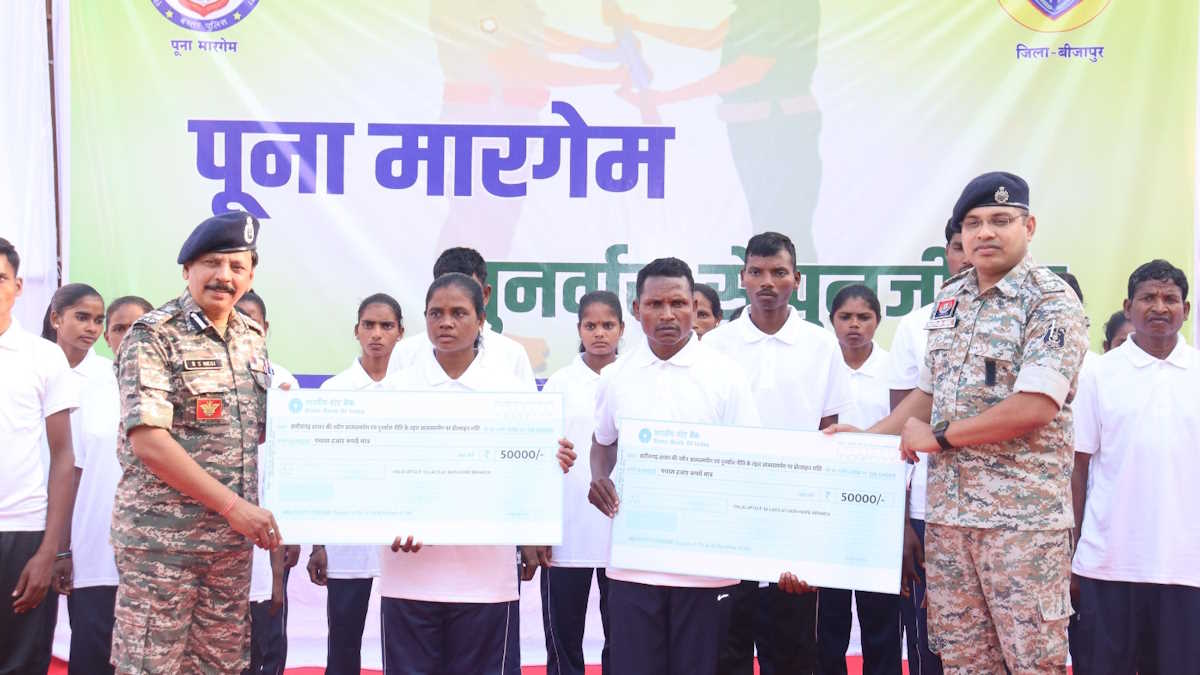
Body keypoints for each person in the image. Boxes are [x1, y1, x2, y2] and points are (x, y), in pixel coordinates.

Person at [834, 173, 1088, 674]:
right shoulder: (952, 297)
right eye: (973, 223)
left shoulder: (1051, 301)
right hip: (950, 525)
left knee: (1032, 663)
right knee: (963, 663)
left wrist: (940, 438)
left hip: (1021, 530)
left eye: (1000, 220)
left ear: (1028, 226)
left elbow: (1036, 405)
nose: (985, 233)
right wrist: (867, 441)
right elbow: (929, 394)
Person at [111, 211, 282, 673]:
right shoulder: (153, 335)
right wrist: (233, 506)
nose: (224, 276)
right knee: (150, 666)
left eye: (237, 266)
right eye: (212, 263)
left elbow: (252, 430)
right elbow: (149, 440)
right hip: (162, 547)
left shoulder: (251, 337)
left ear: (250, 276)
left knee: (219, 667)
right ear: (187, 269)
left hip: (228, 550)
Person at [380, 273, 575, 675]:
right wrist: (385, 520)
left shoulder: (512, 393)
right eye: (436, 313)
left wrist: (550, 463)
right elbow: (375, 473)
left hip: (486, 580)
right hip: (408, 576)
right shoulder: (394, 391)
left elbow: (528, 474)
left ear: (481, 320)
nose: (446, 323)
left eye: (458, 313)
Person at [588, 257, 760, 675]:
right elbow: (602, 442)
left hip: (706, 568)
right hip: (634, 563)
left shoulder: (726, 376)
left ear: (694, 306)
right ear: (637, 309)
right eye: (655, 304)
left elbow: (750, 460)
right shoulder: (616, 376)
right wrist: (599, 478)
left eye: (678, 303)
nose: (667, 314)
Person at [702, 232, 851, 675]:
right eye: (757, 272)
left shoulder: (821, 345)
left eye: (779, 272)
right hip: (729, 515)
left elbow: (829, 431)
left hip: (795, 516)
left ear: (797, 280)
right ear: (742, 277)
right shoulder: (716, 345)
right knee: (725, 649)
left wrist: (819, 523)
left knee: (791, 649)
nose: (767, 282)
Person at [1070, 260, 1199, 673]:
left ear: (1186, 310)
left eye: (1170, 299)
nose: (1159, 307)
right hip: (1108, 564)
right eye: (1148, 298)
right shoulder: (1099, 374)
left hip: (1187, 568)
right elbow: (1077, 468)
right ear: (1128, 307)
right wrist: (1071, 553)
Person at [885, 218, 969, 675]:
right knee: (930, 645)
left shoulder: (1031, 317)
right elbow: (904, 426)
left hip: (1003, 518)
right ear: (946, 254)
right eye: (958, 245)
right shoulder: (918, 325)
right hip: (928, 510)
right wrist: (902, 523)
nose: (968, 254)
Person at [306, 292, 404, 675]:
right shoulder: (334, 391)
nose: (377, 334)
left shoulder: (413, 389)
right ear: (356, 330)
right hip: (346, 535)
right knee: (344, 640)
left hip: (402, 537)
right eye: (369, 325)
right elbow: (320, 470)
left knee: (404, 642)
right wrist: (319, 543)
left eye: (386, 326)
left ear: (400, 332)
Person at [0, 238, 79, 675]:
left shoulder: (44, 357)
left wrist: (49, 551)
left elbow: (63, 456)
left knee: (20, 664)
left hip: (23, 534)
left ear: (18, 286)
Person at [41, 284, 126, 675]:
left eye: (97, 320)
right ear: (56, 318)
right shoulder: (31, 364)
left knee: (92, 635)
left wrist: (63, 547)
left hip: (77, 529)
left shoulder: (107, 379)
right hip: (24, 511)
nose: (91, 328)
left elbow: (78, 468)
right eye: (82, 317)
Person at [539, 290, 624, 675]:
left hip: (620, 529)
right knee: (562, 634)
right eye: (591, 325)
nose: (599, 333)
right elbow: (539, 452)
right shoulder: (560, 381)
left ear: (622, 328)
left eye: (608, 325)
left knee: (621, 636)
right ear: (579, 329)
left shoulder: (631, 378)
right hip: (567, 528)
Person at [817, 285, 901, 675]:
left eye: (863, 317)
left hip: (879, 506)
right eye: (845, 317)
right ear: (831, 320)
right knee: (828, 619)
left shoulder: (893, 369)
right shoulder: (821, 366)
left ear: (878, 321)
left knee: (881, 617)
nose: (854, 325)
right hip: (827, 506)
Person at [236, 290, 301, 675]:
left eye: (253, 320)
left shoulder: (284, 382)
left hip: (272, 525)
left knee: (270, 621)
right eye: (237, 319)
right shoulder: (207, 376)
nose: (245, 327)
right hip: (222, 521)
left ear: (266, 327)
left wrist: (294, 530)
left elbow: (293, 462)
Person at [387, 247, 536, 384]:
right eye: (446, 285)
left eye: (459, 312)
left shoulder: (512, 354)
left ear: (485, 294)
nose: (447, 323)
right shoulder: (404, 353)